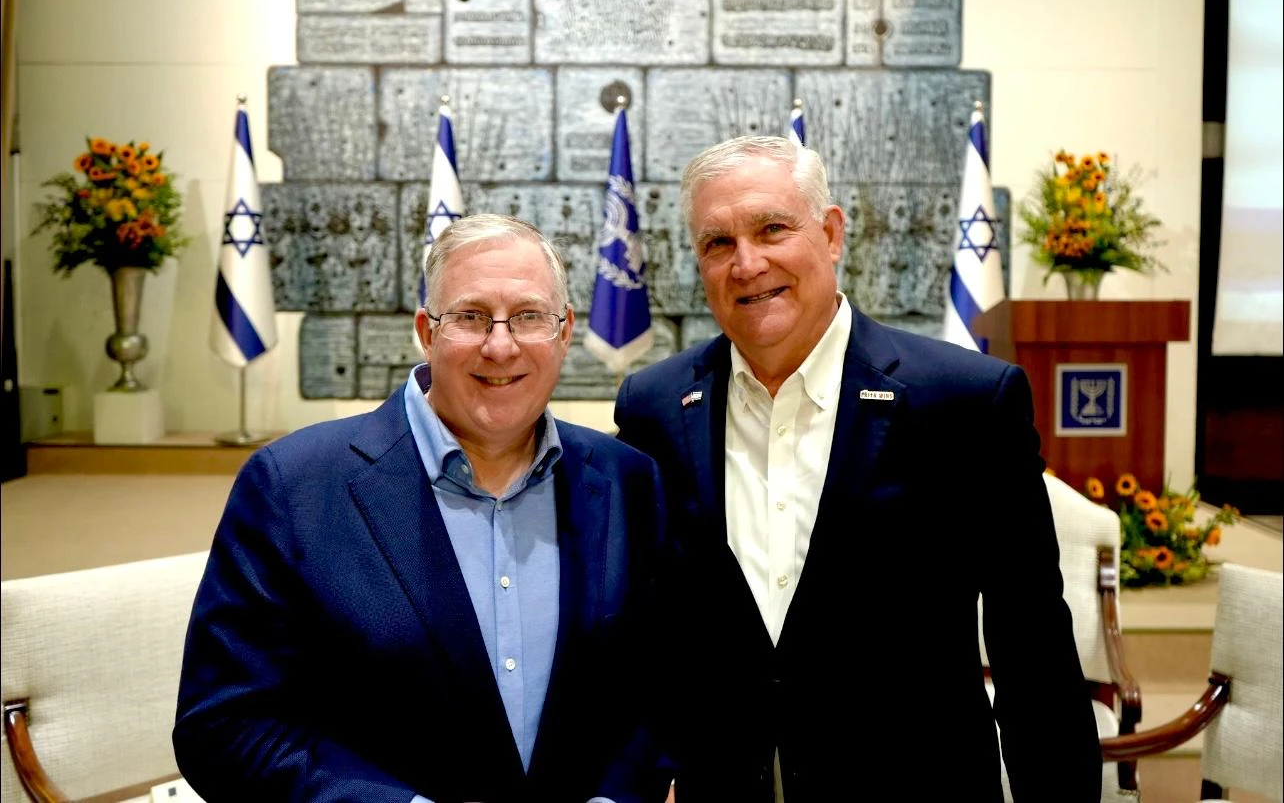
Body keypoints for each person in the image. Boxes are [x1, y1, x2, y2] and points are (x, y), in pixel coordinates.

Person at [613, 136, 1102, 801]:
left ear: (832, 232)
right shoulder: (654, 409)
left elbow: (1032, 644)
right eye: (718, 243)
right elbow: (647, 631)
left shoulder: (965, 402)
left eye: (772, 229)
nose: (747, 263)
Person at [175, 213, 670, 803]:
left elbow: (657, 691)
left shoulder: (626, 482)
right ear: (426, 332)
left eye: (530, 317)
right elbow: (224, 727)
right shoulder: (293, 487)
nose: (500, 344)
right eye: (470, 316)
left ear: (564, 334)